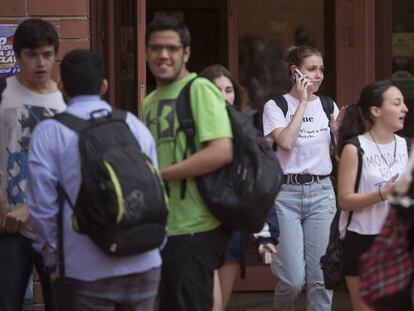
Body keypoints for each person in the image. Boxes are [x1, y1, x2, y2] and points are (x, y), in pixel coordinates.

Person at [26, 49, 162, 310]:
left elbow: (42, 208)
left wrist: (54, 260)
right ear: (104, 86)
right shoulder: (133, 125)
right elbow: (154, 186)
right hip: (144, 262)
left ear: (62, 87)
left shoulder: (49, 132)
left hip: (83, 270)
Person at [143, 17, 233, 311]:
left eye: (171, 47)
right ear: (146, 52)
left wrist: (161, 175)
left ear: (186, 53)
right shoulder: (150, 100)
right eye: (156, 48)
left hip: (195, 226)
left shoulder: (199, 89)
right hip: (163, 226)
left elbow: (221, 151)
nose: (163, 55)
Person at [262, 45, 345, 311]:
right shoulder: (275, 106)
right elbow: (285, 142)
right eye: (312, 69)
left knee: (320, 280)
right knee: (293, 280)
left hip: (322, 193)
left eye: (321, 69)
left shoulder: (328, 105)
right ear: (295, 72)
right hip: (285, 197)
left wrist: (336, 134)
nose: (318, 75)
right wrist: (302, 103)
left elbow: (341, 157)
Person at [200, 64, 279, 310]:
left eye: (228, 90)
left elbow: (260, 185)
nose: (224, 96)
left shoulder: (246, 132)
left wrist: (265, 234)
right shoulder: (189, 128)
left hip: (232, 227)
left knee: (219, 304)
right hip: (197, 226)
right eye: (216, 90)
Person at [0, 18, 66, 311]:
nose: (41, 63)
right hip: (8, 221)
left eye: (47, 54)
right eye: (32, 54)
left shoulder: (66, 99)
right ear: (18, 56)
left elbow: (72, 166)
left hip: (54, 224)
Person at [337, 80, 409, 311]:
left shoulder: (407, 147)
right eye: (397, 103)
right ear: (376, 111)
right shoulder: (354, 147)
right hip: (362, 241)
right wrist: (382, 193)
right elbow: (345, 199)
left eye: (404, 103)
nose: (404, 109)